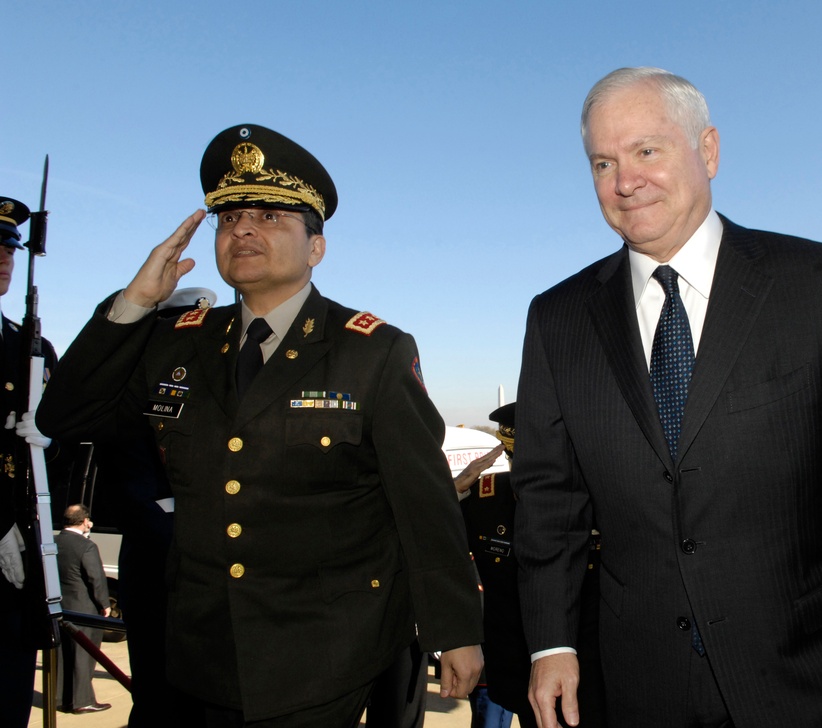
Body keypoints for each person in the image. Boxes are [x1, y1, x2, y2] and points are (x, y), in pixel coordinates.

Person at [512, 67, 822, 728]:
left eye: (647, 151)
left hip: (805, 673)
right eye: (602, 162)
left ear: (708, 151)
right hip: (639, 680)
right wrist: (551, 643)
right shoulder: (558, 318)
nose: (624, 180)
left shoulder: (819, 285)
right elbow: (548, 498)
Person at [35, 124, 484, 726]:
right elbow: (65, 414)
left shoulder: (371, 352)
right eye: (230, 218)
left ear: (315, 247)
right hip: (198, 652)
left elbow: (423, 503)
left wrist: (455, 629)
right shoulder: (177, 344)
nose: (243, 228)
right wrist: (135, 303)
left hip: (324, 653)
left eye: (271, 216)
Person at [91, 288, 215, 728]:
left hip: (204, 568)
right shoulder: (137, 390)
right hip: (160, 557)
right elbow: (134, 485)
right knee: (162, 695)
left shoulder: (211, 391)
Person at [456, 405, 604, 728]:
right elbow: (434, 545)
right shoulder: (485, 502)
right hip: (518, 677)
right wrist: (451, 492)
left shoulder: (599, 501)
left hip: (594, 680)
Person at [0, 195, 60, 728]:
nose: (3, 260)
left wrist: (47, 434)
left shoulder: (31, 346)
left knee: (9, 689)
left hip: (20, 548)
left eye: (8, 249)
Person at [54, 504, 112, 714]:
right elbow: (96, 579)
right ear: (85, 520)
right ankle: (82, 700)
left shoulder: (54, 541)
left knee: (63, 654)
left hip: (62, 606)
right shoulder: (86, 546)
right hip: (84, 609)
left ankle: (62, 698)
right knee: (84, 656)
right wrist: (104, 604)